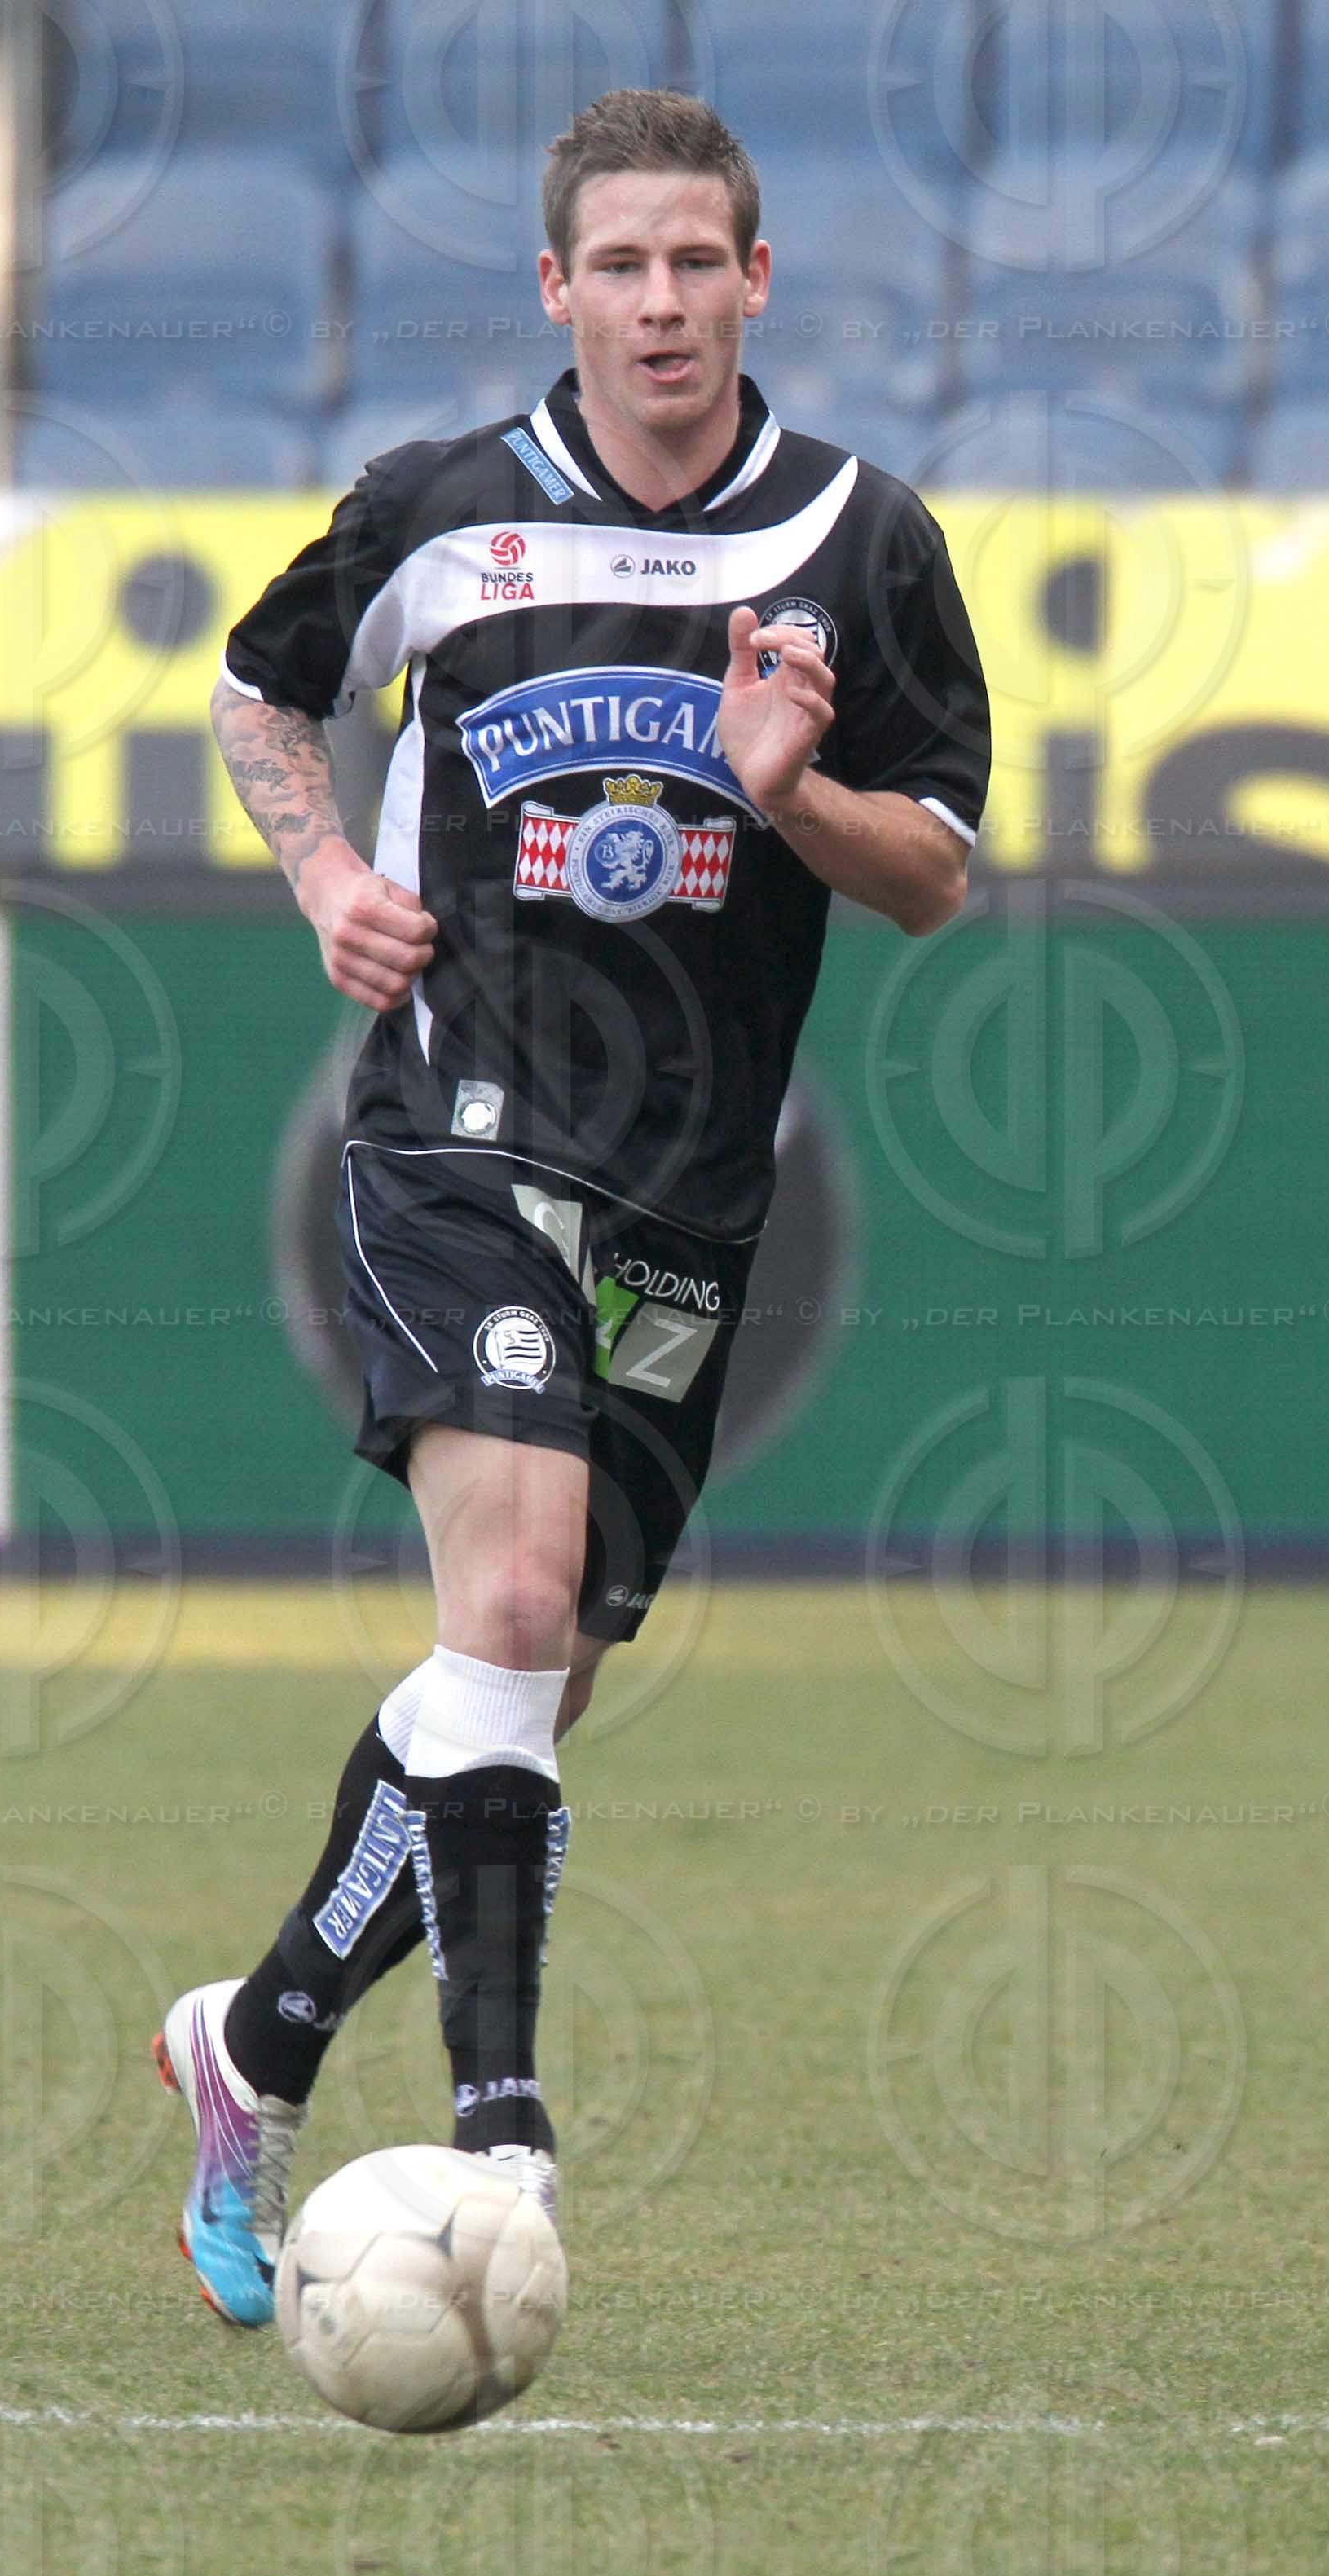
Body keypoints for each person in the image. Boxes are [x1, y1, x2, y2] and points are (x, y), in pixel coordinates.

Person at [159, 86, 987, 2326]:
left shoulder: (858, 538)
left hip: (689, 1208)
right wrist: (328, 869)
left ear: (756, 281)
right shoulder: (440, 515)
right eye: (616, 266)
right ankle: (502, 2126)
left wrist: (792, 793)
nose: (658, 303)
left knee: (515, 1686)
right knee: (512, 1603)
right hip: (455, 1129)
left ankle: (253, 2048)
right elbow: (258, 688)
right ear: (556, 290)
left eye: (695, 263)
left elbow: (938, 878)